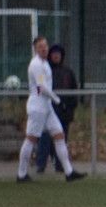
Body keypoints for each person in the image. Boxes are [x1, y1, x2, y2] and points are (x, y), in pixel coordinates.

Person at [16, 36, 85, 183]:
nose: (44, 48)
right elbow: (42, 87)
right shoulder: (36, 64)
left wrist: (52, 101)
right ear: (35, 49)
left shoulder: (45, 63)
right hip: (38, 107)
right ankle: (21, 174)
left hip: (46, 107)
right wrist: (57, 100)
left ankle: (69, 172)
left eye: (45, 45)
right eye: (40, 46)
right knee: (31, 139)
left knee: (59, 135)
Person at [35, 44, 79, 174]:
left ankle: (61, 165)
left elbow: (74, 91)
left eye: (58, 53)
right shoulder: (45, 70)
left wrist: (70, 107)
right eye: (54, 53)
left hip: (64, 113)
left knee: (61, 139)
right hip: (49, 110)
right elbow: (41, 88)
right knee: (44, 139)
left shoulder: (68, 72)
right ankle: (40, 165)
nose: (56, 56)